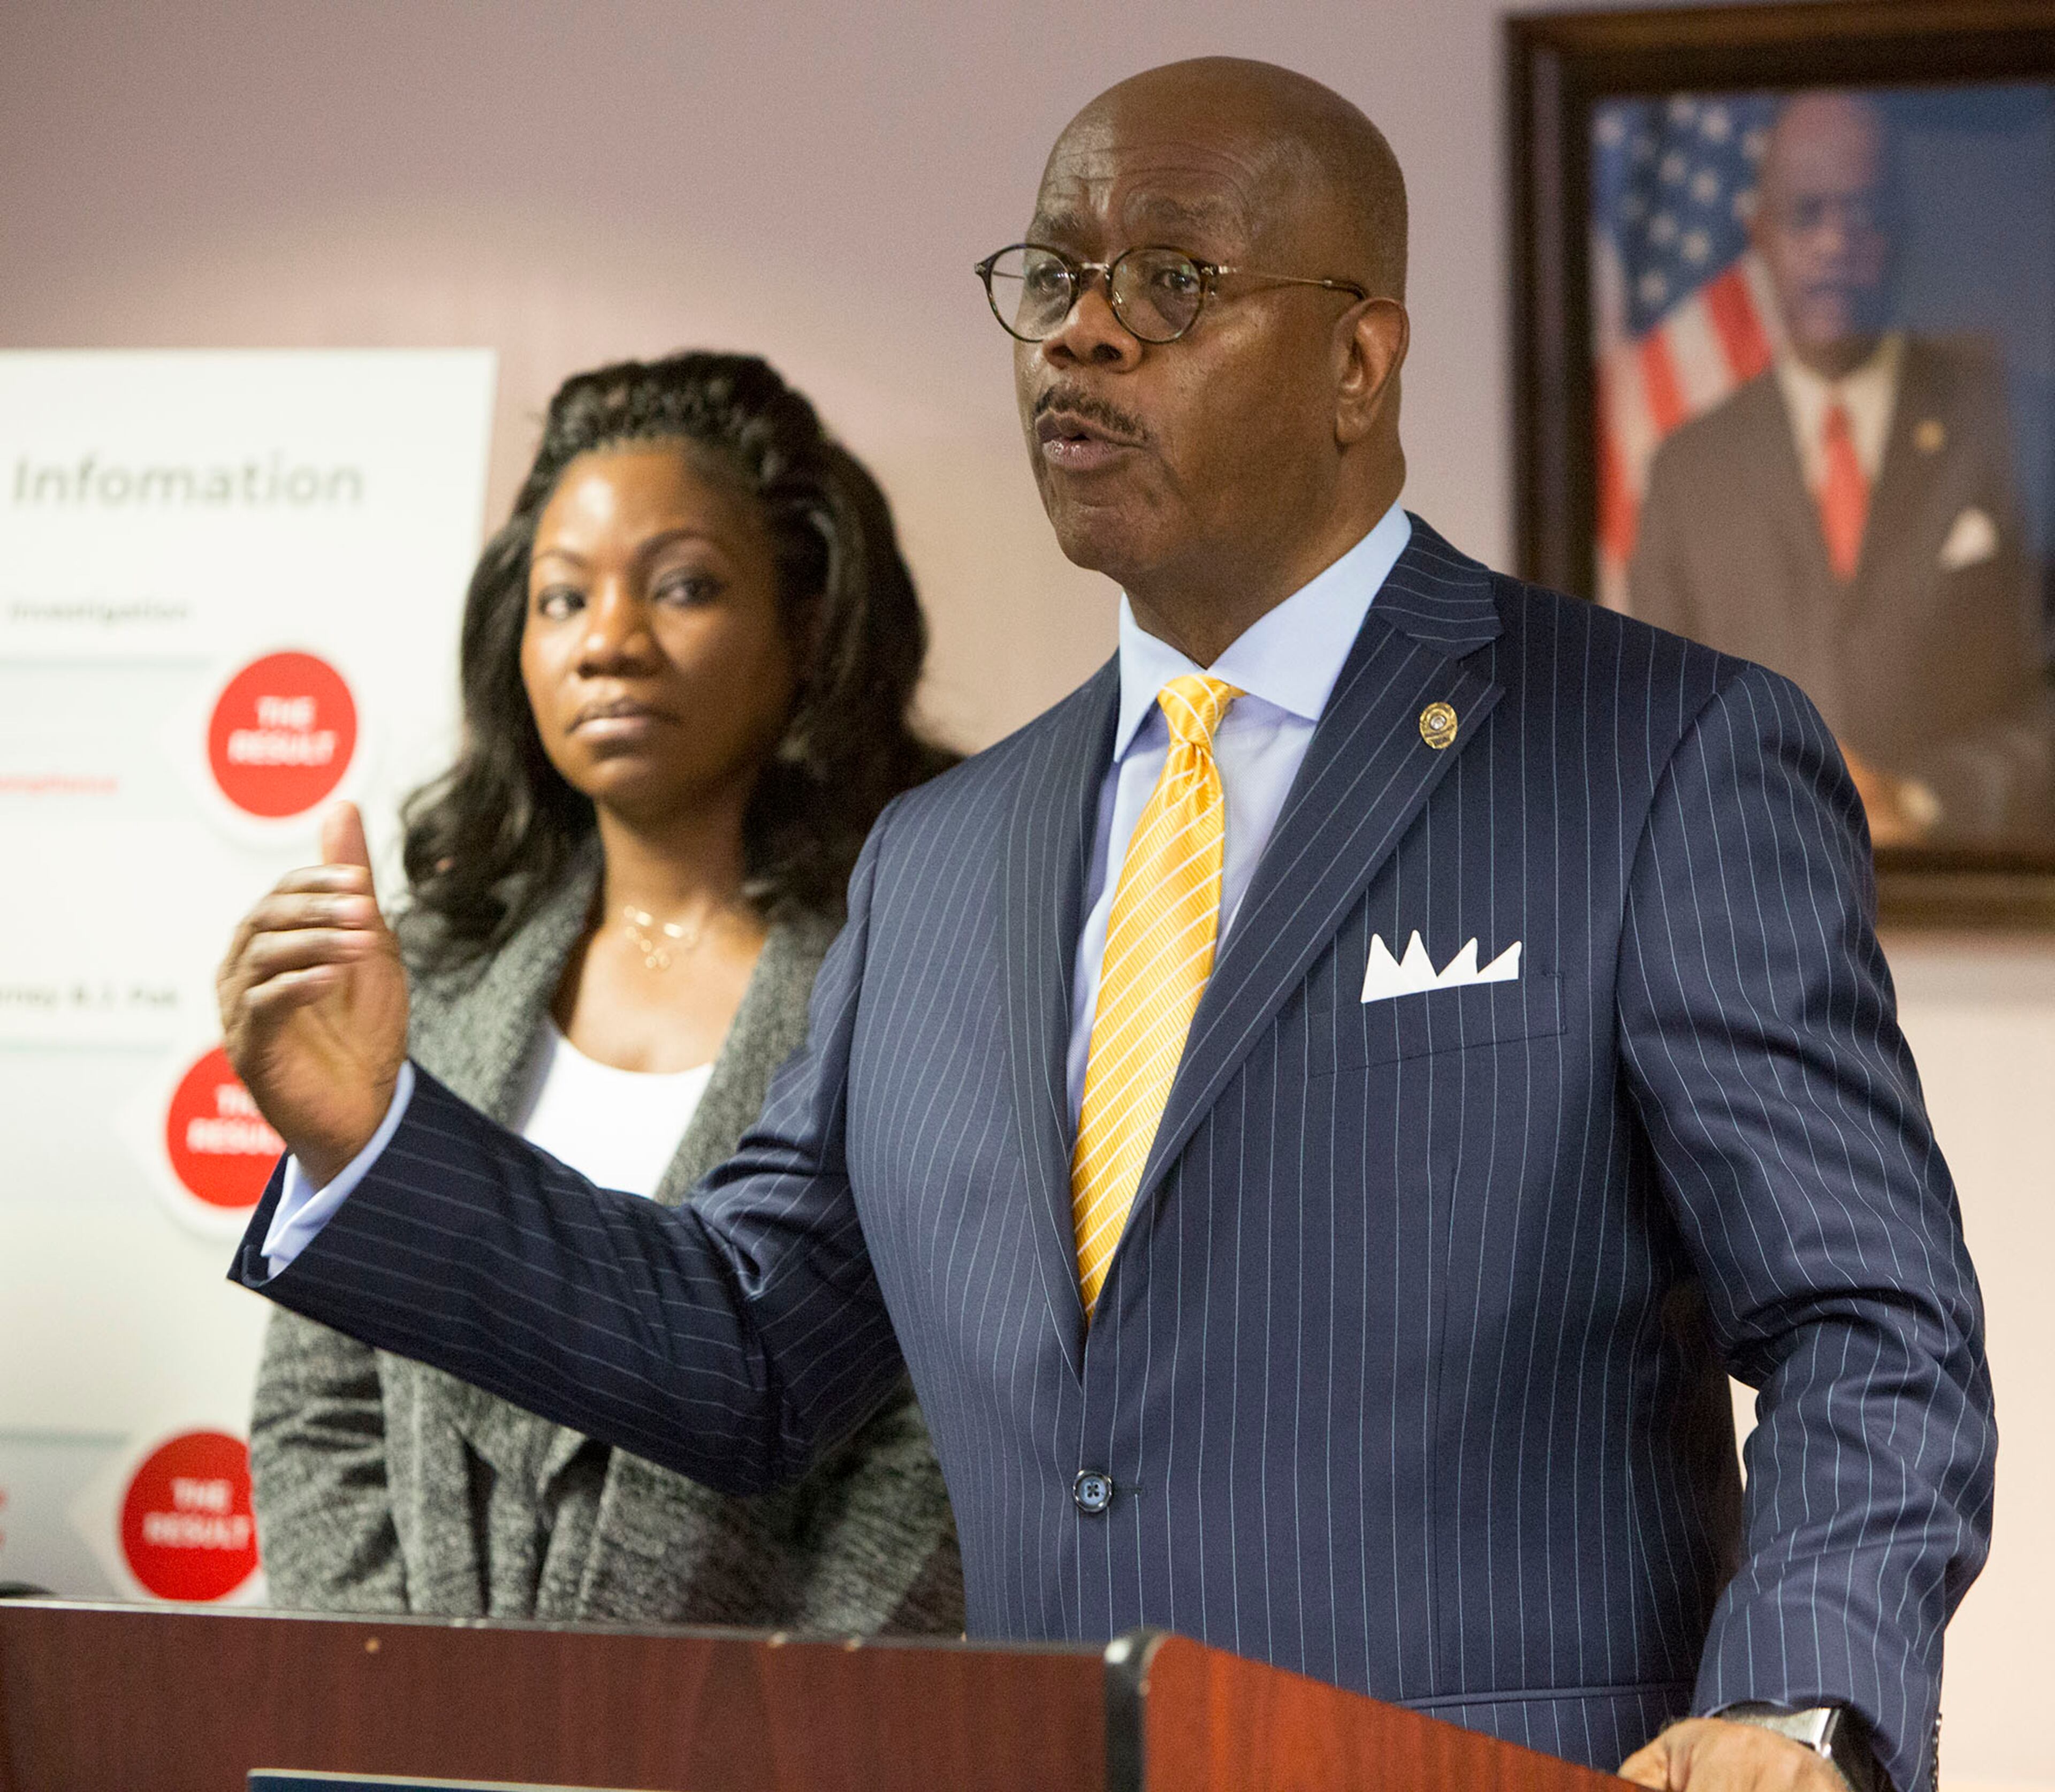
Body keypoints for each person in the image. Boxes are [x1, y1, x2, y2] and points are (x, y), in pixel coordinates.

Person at [218, 60, 1993, 1792]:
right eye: (1052, 280)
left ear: (1359, 361)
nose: (1081, 332)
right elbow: (756, 1349)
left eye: (1171, 282)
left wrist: (1804, 1700)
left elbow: (1870, 1314)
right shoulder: (939, 855)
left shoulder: (1662, 749)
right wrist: (375, 1138)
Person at [245, 351, 963, 1631]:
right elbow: (322, 1410)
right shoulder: (433, 973)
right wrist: (387, 1708)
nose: (611, 644)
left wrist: (754, 1734)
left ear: (809, 625)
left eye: (683, 588)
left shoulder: (932, 970)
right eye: (563, 599)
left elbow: (941, 1443)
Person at [1630, 89, 2054, 849]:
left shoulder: (2015, 423)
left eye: (1861, 214)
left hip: (1974, 897)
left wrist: (1921, 799)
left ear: (1900, 232)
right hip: (1748, 904)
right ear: (1759, 232)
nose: (1833, 244)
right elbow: (1643, 719)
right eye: (1806, 214)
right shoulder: (1688, 471)